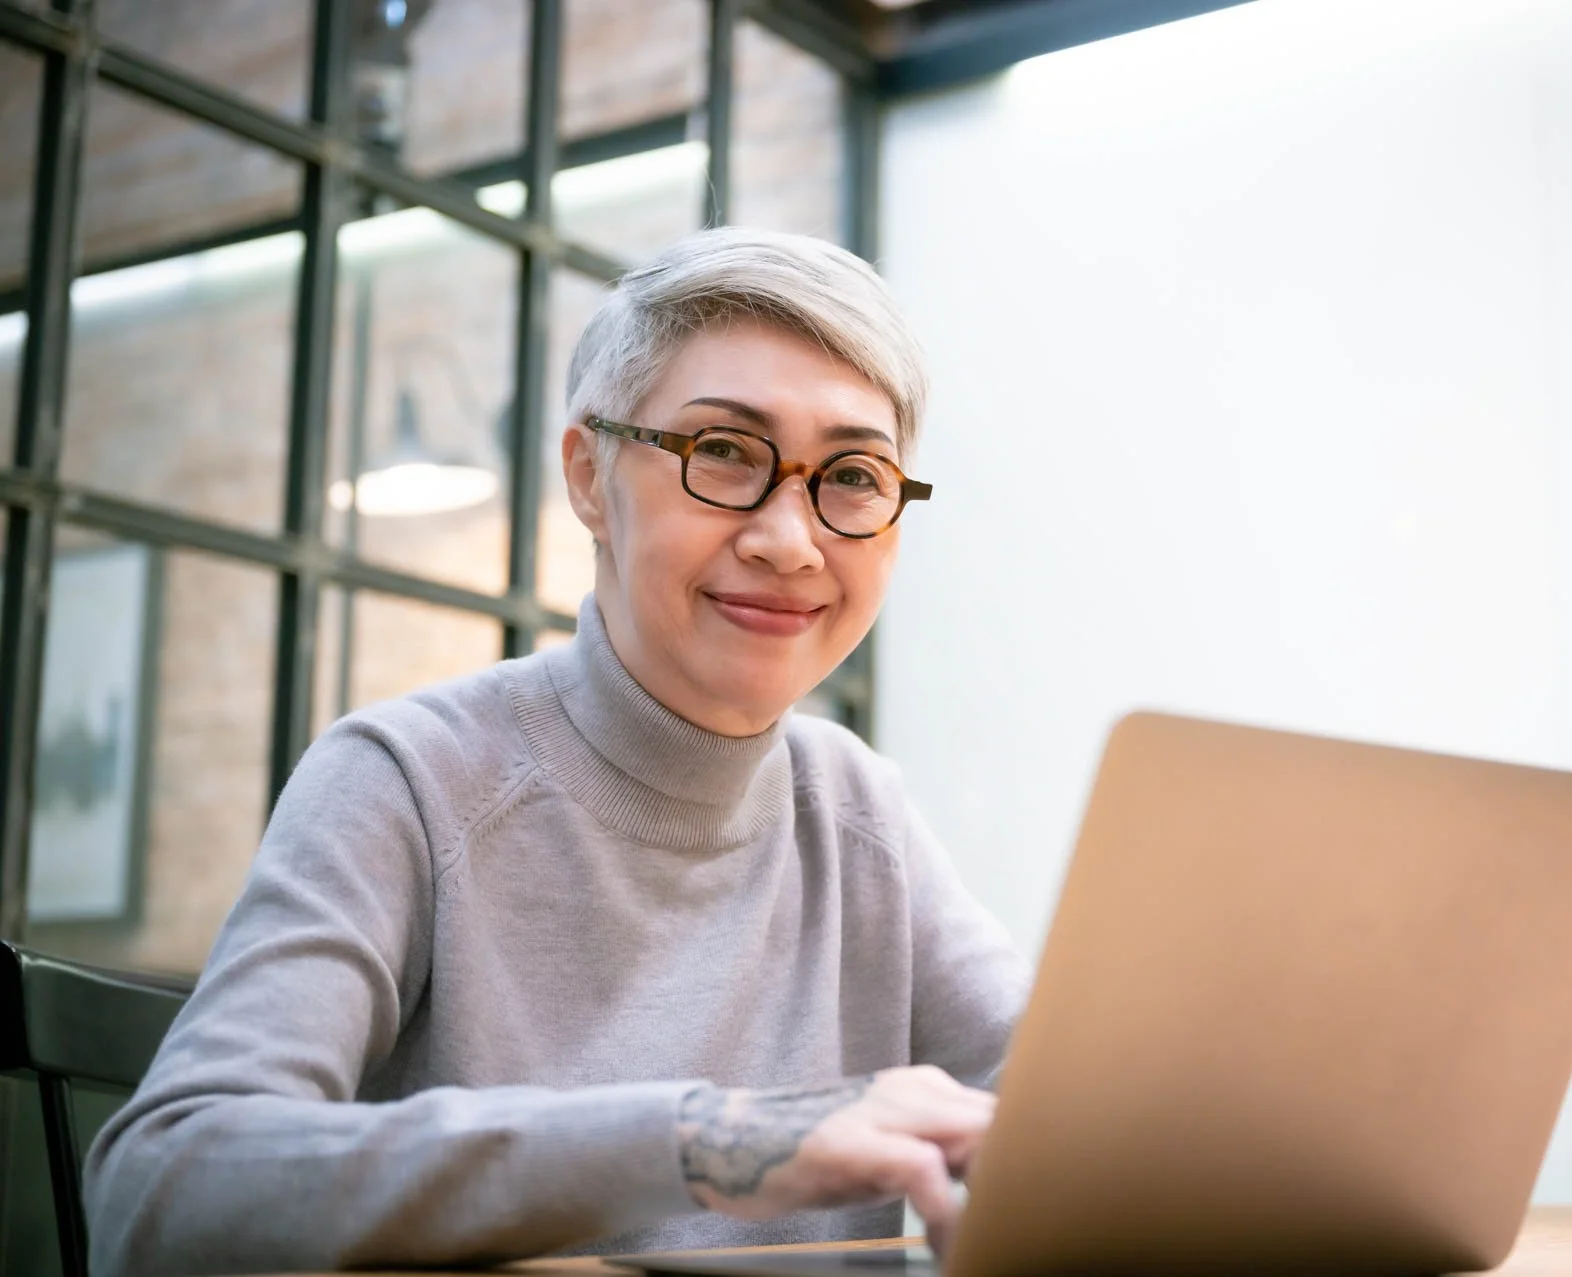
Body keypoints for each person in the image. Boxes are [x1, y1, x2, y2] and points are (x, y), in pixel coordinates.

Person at [85, 228, 1032, 1277]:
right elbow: (164, 1184)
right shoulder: (407, 776)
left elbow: (1066, 1113)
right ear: (590, 475)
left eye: (853, 474)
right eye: (723, 450)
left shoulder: (857, 806)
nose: (789, 538)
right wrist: (708, 1140)